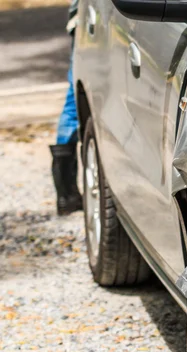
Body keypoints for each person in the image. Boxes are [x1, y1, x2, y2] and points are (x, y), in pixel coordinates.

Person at [50, 0, 82, 216]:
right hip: (90, 19)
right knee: (76, 99)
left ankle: (66, 195)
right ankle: (67, 194)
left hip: (80, 16)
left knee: (73, 102)